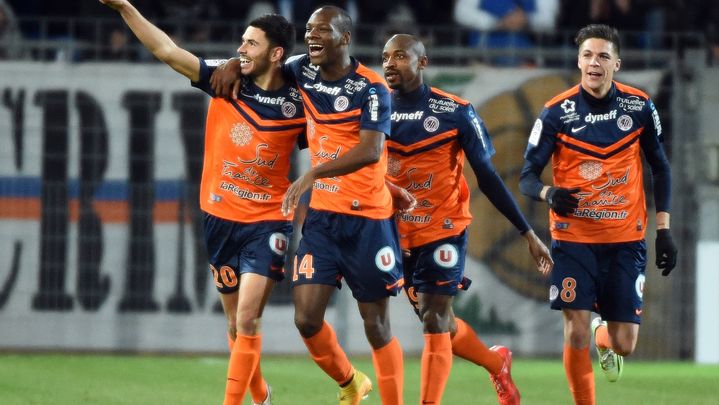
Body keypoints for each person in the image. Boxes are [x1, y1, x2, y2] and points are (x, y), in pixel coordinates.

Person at [100, 2, 307, 404]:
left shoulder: (300, 102)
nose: (241, 49)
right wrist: (125, 7)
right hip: (219, 218)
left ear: (276, 52)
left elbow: (339, 130)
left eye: (251, 43)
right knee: (234, 324)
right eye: (241, 42)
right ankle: (261, 395)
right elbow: (167, 51)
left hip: (268, 221)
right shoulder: (225, 78)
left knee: (248, 316)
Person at [211, 5, 406, 405]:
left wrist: (313, 174)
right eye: (309, 30)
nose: (312, 36)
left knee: (376, 326)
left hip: (369, 220)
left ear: (345, 38)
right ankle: (351, 384)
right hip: (323, 220)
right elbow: (264, 57)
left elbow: (370, 151)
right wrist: (234, 62)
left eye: (322, 30)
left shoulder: (372, 88)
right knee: (306, 318)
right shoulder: (302, 70)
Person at [381, 34, 553, 405]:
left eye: (399, 56)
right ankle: (496, 362)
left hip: (444, 229)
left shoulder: (455, 111)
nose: (389, 63)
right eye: (384, 57)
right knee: (442, 323)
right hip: (395, 233)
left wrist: (527, 232)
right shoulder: (375, 109)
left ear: (422, 62)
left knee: (433, 319)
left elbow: (489, 178)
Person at [519, 24, 678, 405]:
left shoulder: (639, 106)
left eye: (603, 56)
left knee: (624, 345)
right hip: (574, 241)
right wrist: (548, 192)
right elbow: (526, 176)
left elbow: (661, 168)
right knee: (573, 333)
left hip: (626, 240)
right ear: (579, 62)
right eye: (588, 55)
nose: (595, 62)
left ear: (616, 64)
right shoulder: (556, 112)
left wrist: (664, 230)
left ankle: (602, 334)